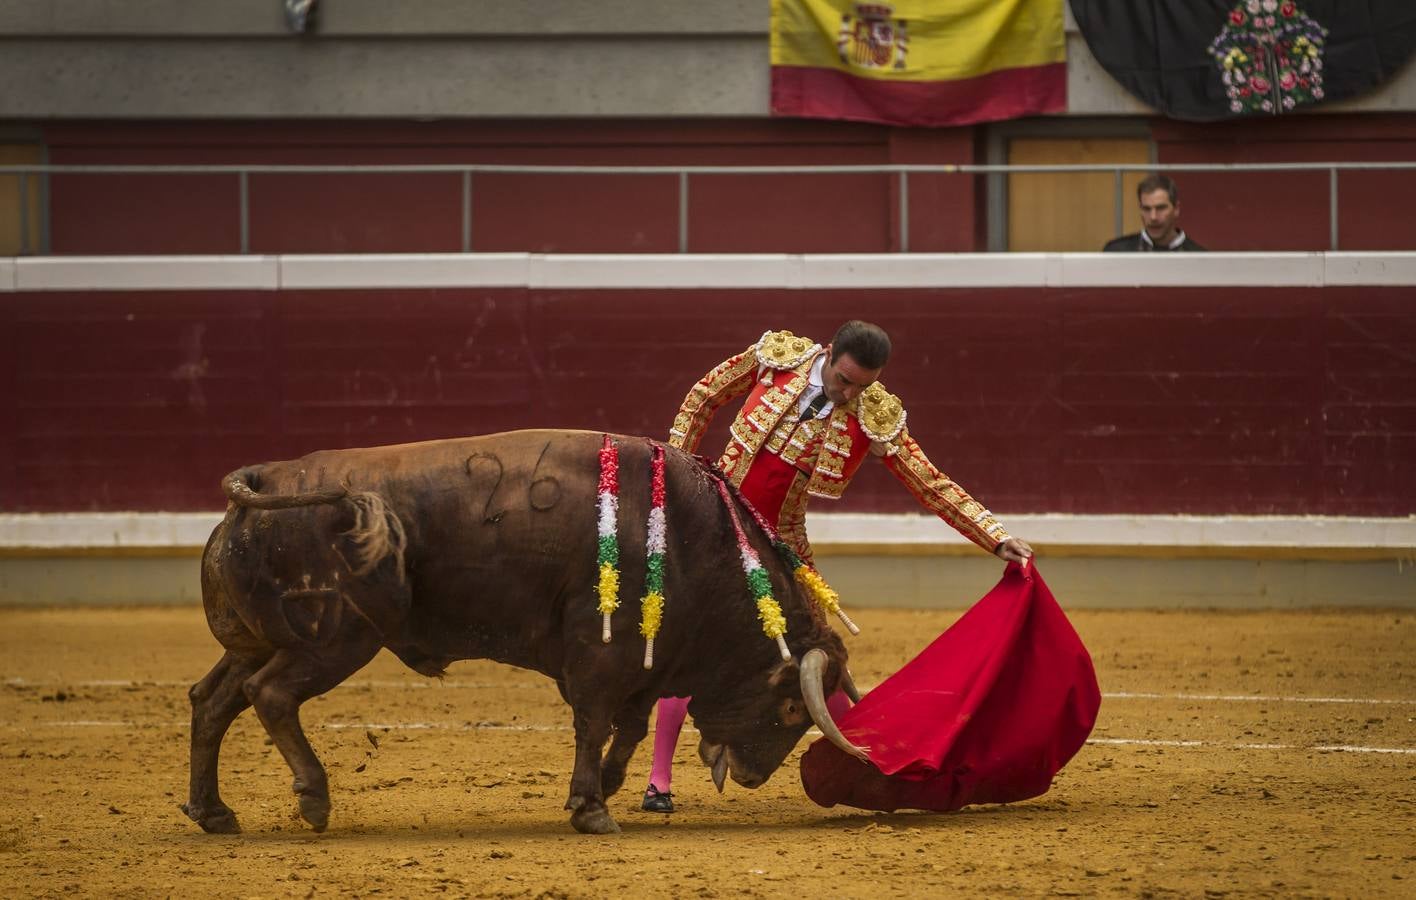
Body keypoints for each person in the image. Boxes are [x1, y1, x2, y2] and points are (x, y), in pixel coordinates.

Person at [640, 320, 1034, 813]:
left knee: (819, 655)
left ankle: (866, 767)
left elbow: (929, 482)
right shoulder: (777, 358)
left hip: (783, 543)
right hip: (716, 521)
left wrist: (994, 537)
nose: (849, 393)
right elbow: (703, 397)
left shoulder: (874, 413)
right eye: (845, 380)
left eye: (862, 385)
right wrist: (681, 474)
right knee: (687, 640)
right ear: (829, 354)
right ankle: (659, 781)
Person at [1102, 174, 1206, 252]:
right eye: (1146, 209)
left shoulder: (1200, 257)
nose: (1153, 217)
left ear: (1176, 209)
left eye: (1161, 208)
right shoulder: (1117, 252)